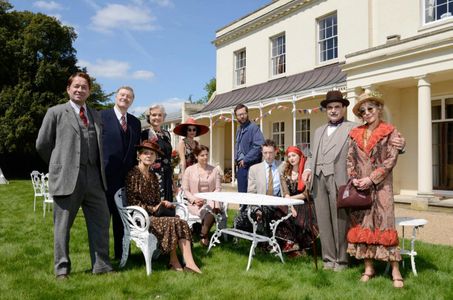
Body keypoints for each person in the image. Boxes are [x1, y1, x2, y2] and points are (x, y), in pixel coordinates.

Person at [303, 90, 405, 272]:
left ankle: (342, 261)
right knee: (324, 222)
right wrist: (308, 168)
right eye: (330, 108)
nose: (333, 111)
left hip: (339, 180)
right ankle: (328, 259)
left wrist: (401, 145)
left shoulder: (353, 128)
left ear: (343, 109)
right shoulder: (318, 131)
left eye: (337, 107)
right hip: (318, 180)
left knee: (340, 221)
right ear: (326, 110)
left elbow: (376, 138)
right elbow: (311, 155)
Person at [36, 72, 113, 279]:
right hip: (67, 177)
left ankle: (102, 266)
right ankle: (62, 270)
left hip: (94, 177)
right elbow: (42, 144)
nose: (80, 90)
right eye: (76, 86)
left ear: (89, 91)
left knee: (101, 222)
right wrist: (58, 165)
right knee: (62, 227)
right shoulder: (55, 112)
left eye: (84, 87)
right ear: (68, 89)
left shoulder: (95, 115)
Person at [346, 92, 404, 288]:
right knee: (364, 225)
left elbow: (391, 160)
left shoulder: (390, 131)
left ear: (379, 109)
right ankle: (368, 268)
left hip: (382, 186)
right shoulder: (355, 133)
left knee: (386, 223)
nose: (366, 113)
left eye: (370, 109)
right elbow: (350, 159)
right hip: (361, 188)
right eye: (362, 111)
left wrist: (371, 178)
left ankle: (395, 270)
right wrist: (354, 179)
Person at [126, 140, 202, 273]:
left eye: (152, 154)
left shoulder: (153, 176)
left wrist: (162, 203)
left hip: (155, 215)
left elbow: (156, 200)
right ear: (139, 156)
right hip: (140, 218)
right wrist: (152, 209)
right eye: (145, 153)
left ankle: (189, 263)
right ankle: (173, 261)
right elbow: (133, 202)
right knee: (171, 222)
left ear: (155, 157)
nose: (149, 156)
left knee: (181, 222)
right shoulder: (133, 174)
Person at [101, 86, 141, 260]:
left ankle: (122, 254)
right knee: (102, 221)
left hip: (126, 180)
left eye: (129, 96)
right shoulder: (101, 117)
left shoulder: (135, 122)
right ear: (116, 97)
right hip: (104, 178)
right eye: (122, 95)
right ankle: (102, 258)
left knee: (123, 220)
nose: (125, 98)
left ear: (132, 100)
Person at [275, 146, 318, 258]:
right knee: (279, 210)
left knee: (301, 218)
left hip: (305, 202)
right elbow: (285, 192)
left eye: (294, 155)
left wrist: (291, 201)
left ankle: (301, 246)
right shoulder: (285, 171)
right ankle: (289, 243)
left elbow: (306, 194)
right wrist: (290, 205)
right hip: (290, 201)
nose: (291, 158)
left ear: (299, 156)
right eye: (289, 156)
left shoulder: (306, 172)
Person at [234, 139, 282, 234]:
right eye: (265, 153)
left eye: (271, 153)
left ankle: (266, 238)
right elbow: (251, 192)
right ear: (262, 153)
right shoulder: (254, 169)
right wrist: (256, 208)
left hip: (278, 203)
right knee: (241, 220)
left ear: (276, 152)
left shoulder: (283, 166)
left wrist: (308, 170)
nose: (268, 156)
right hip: (261, 203)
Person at [182, 145, 225, 246]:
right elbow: (186, 189)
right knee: (212, 208)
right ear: (196, 156)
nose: (205, 157)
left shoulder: (214, 170)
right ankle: (203, 234)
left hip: (211, 200)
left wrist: (209, 198)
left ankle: (203, 234)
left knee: (212, 206)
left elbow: (218, 188)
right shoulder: (189, 170)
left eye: (206, 155)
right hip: (195, 203)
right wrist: (194, 200)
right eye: (202, 155)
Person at [141, 105, 173, 202]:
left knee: (167, 205)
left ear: (163, 117)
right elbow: (142, 156)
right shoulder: (145, 134)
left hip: (167, 174)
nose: (157, 118)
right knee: (155, 205)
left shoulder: (167, 134)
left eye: (160, 115)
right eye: (154, 115)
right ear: (148, 117)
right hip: (153, 175)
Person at [234, 104, 265, 193]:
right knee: (242, 194)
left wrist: (245, 159)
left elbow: (259, 146)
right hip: (241, 166)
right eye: (239, 115)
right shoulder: (239, 129)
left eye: (244, 114)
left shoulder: (253, 128)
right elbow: (238, 145)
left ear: (247, 114)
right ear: (236, 116)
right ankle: (242, 207)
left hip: (250, 165)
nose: (242, 116)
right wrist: (236, 158)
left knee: (250, 194)